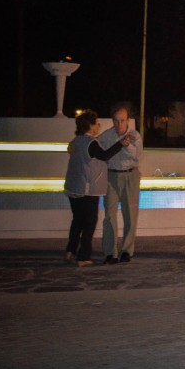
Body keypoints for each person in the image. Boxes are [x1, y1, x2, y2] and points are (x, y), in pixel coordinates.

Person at [62, 110, 127, 268]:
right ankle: (83, 257)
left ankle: (70, 250)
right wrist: (121, 144)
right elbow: (104, 156)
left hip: (73, 188)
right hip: (87, 189)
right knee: (89, 223)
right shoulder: (91, 143)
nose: (98, 125)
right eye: (96, 123)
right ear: (90, 126)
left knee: (77, 221)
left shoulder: (76, 140)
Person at [97, 104, 142, 264]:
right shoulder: (107, 135)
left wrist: (127, 144)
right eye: (116, 120)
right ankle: (110, 253)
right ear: (112, 121)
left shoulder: (135, 136)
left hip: (130, 176)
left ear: (127, 120)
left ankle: (127, 251)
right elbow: (95, 146)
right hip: (111, 176)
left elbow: (137, 157)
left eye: (122, 120)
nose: (119, 124)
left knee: (130, 215)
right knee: (109, 215)